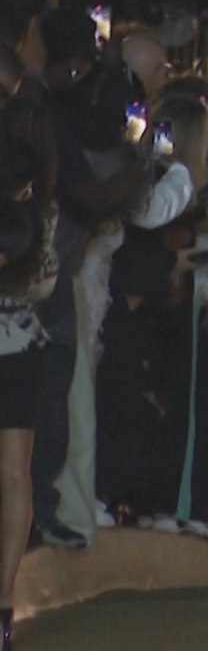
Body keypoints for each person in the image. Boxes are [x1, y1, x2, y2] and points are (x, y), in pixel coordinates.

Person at [0, 92, 59, 649]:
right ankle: (2, 603)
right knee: (14, 472)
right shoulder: (42, 206)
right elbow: (46, 283)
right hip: (20, 342)